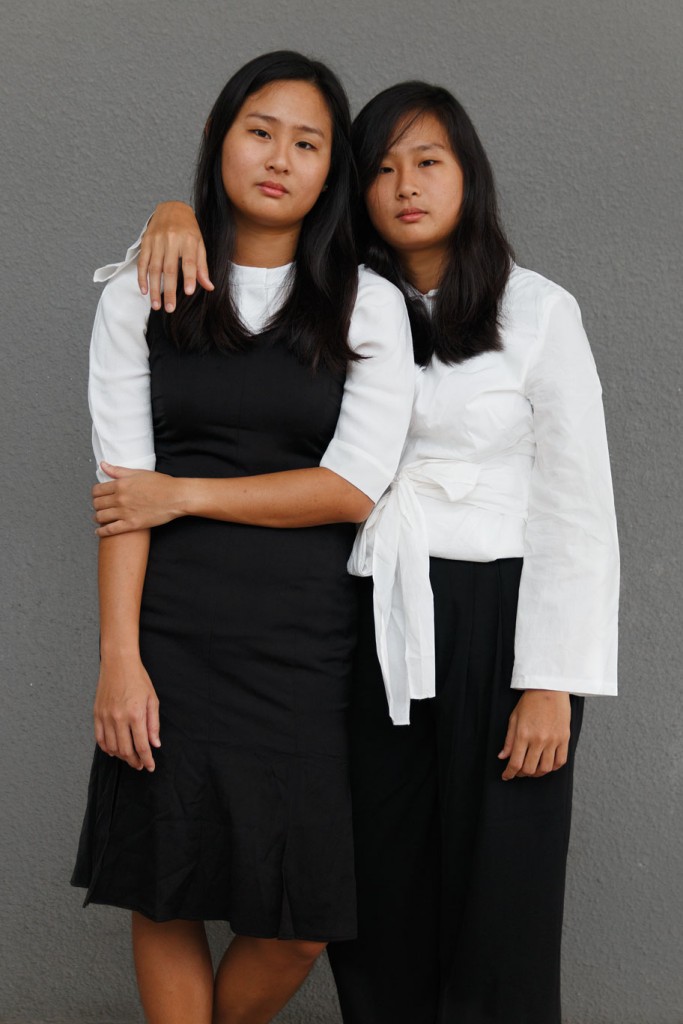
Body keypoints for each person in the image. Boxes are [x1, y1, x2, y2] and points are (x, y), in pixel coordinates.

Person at [96, 82, 619, 1024]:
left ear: (470, 176)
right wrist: (168, 211)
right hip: (372, 615)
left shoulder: (537, 310)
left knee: (501, 901)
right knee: (378, 913)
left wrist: (553, 681)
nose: (404, 186)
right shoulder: (347, 294)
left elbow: (578, 509)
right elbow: (241, 255)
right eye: (380, 168)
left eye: (428, 162)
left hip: (497, 625)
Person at [71, 52, 414, 1024]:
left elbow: (349, 489)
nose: (278, 158)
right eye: (258, 130)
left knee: (296, 920)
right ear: (221, 139)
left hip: (304, 642)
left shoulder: (365, 303)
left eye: (306, 143)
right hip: (168, 634)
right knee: (162, 884)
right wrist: (117, 659)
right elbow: (119, 496)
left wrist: (182, 495)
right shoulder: (137, 293)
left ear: (329, 172)